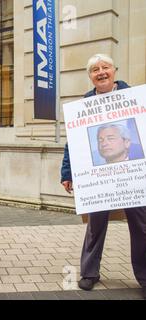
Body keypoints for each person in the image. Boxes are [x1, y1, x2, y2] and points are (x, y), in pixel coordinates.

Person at [61, 54, 146, 299]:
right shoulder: (84, 104)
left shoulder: (134, 97)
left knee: (141, 227)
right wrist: (67, 172)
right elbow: (72, 143)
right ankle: (89, 273)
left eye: (105, 67)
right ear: (90, 76)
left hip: (133, 176)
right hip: (98, 178)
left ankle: (144, 277)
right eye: (95, 69)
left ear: (114, 70)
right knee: (95, 227)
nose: (101, 72)